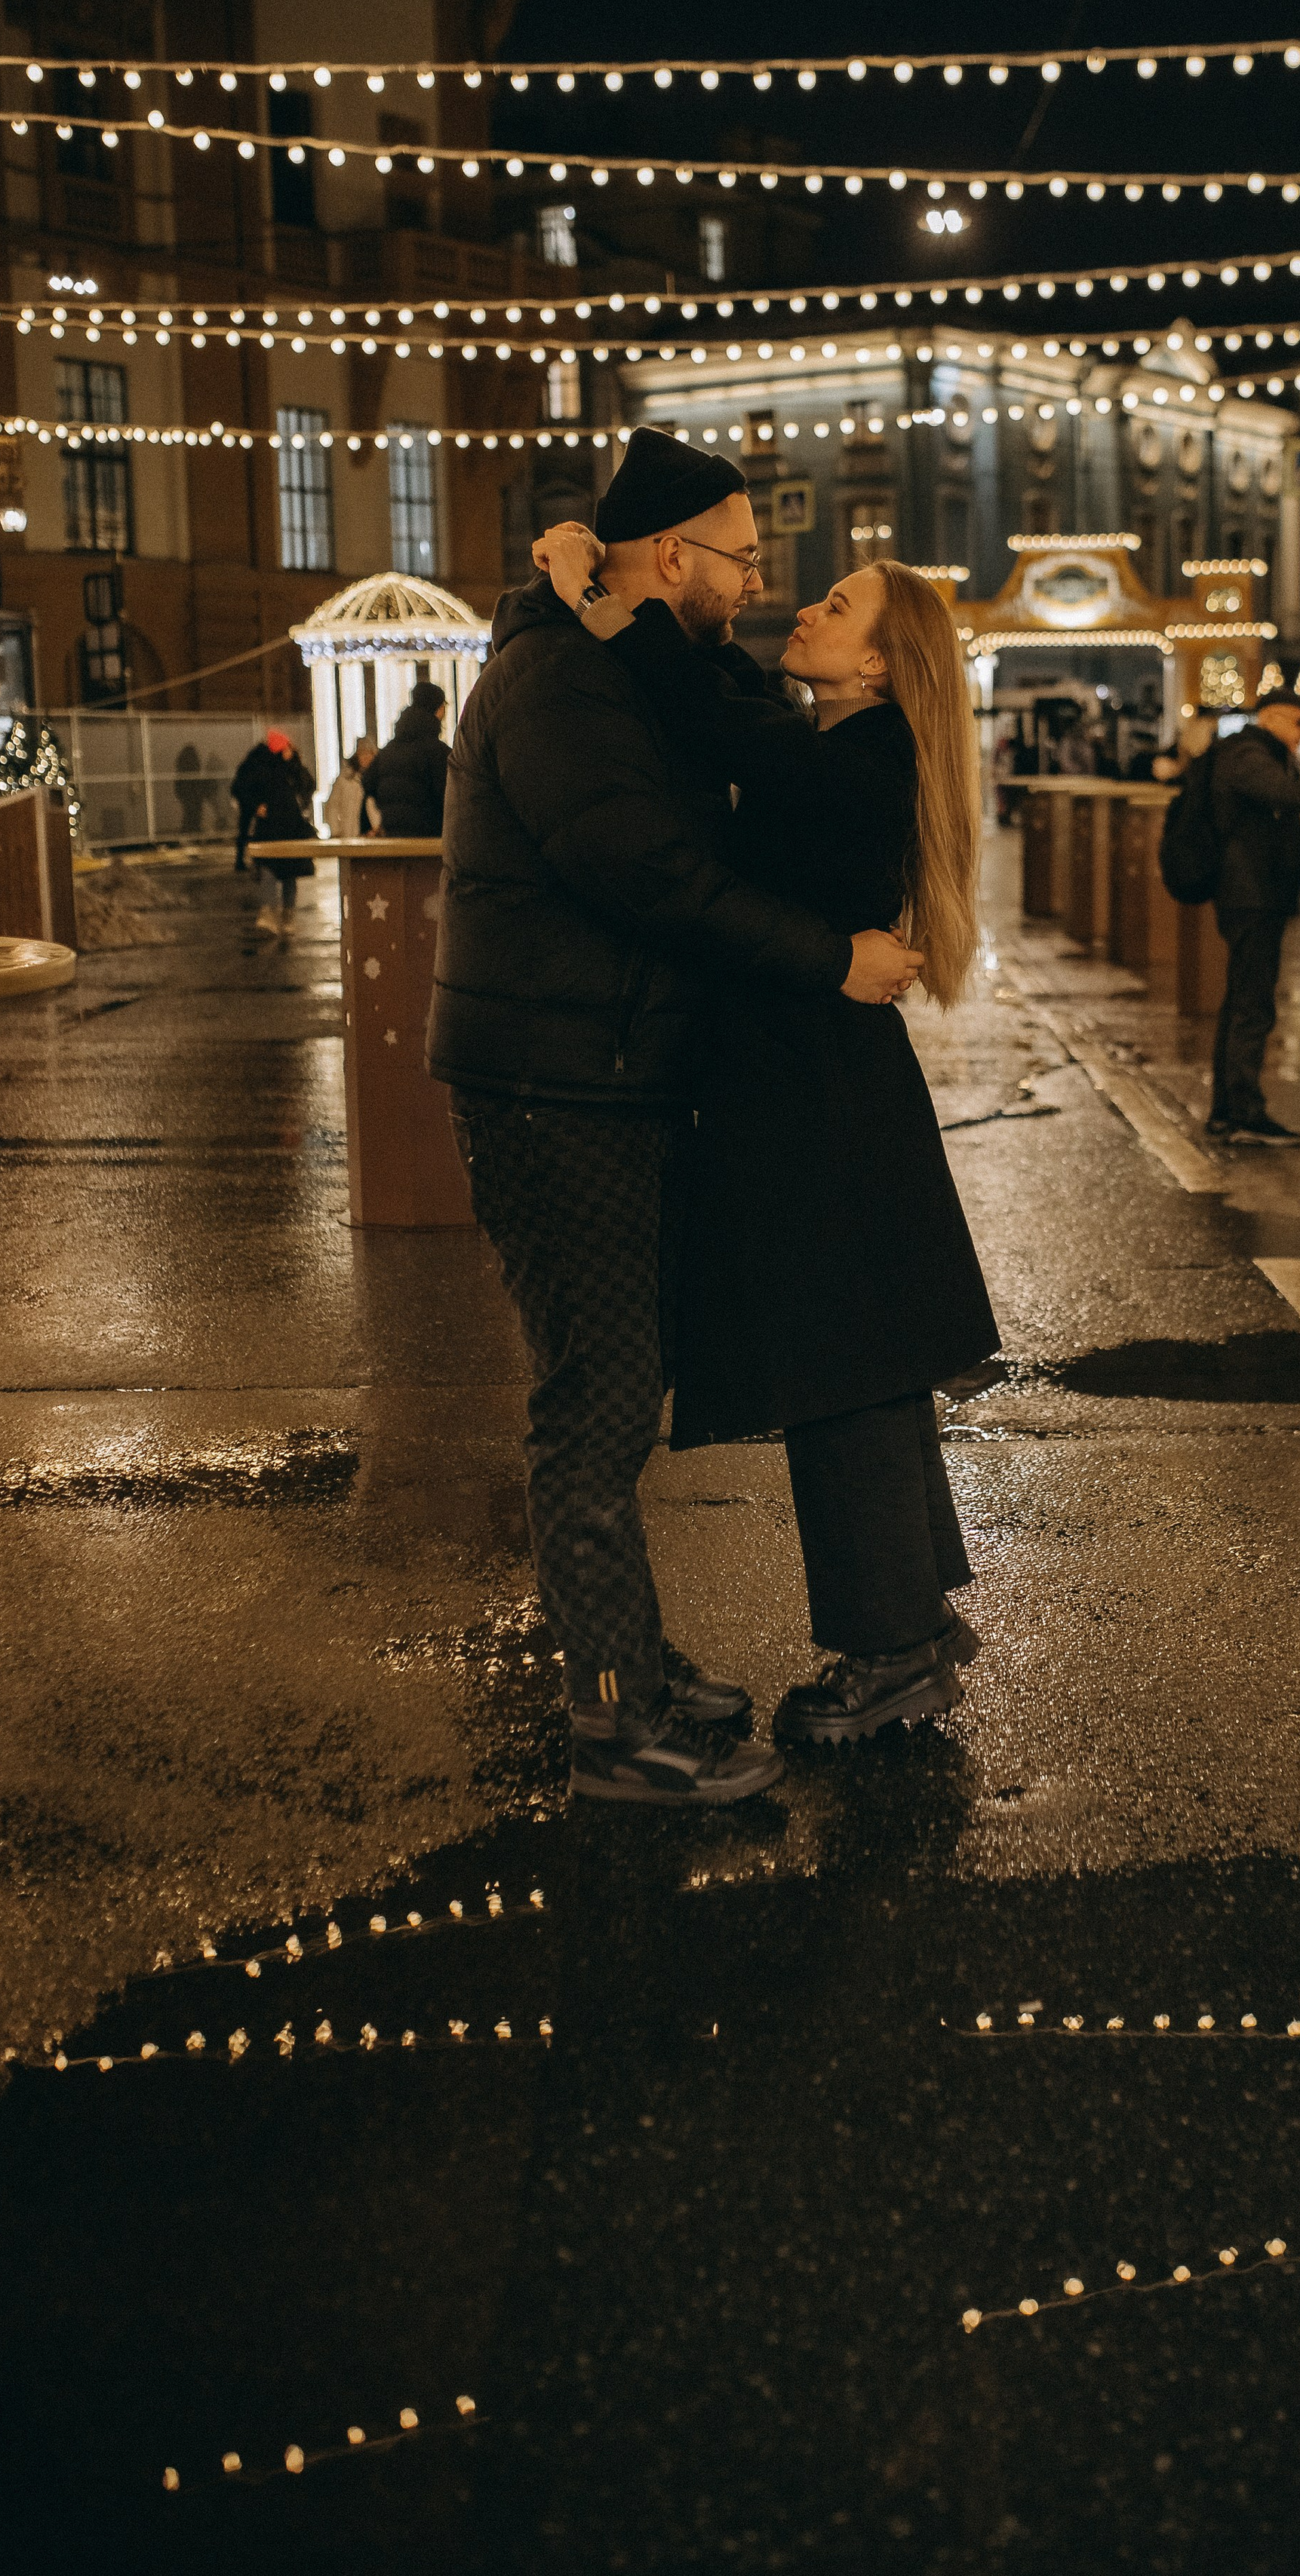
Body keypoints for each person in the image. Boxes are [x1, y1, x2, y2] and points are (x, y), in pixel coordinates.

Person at [426, 428, 923, 1807]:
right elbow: (647, 871)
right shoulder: (556, 684)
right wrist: (826, 958)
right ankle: (613, 1721)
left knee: (612, 1388)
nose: (760, 586)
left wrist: (605, 591)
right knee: (590, 1403)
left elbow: (724, 719)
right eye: (742, 560)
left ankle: (628, 1667)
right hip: (552, 1079)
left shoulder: (618, 657)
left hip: (608, 1066)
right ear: (669, 557)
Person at [539, 528, 999, 1747]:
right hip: (834, 1091)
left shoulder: (852, 761)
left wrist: (614, 607)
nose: (802, 610)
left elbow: (717, 724)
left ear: (883, 664)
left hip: (818, 1101)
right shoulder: (853, 744)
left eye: (835, 608)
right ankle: (917, 1621)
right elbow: (742, 709)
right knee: (871, 1366)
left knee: (841, 1375)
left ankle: (892, 1652)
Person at [1207, 691, 1300, 1146]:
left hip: (1257, 892)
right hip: (1251, 898)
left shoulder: (1259, 755)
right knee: (1252, 1005)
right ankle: (1244, 1113)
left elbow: (1264, 829)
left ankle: (1228, 1110)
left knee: (1243, 1000)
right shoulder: (1248, 753)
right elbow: (1283, 797)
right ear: (1272, 718)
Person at [229, 729, 316, 931]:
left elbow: (308, 785)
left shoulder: (292, 768)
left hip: (291, 826)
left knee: (289, 872)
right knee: (270, 869)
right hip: (271, 827)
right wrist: (255, 806)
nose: (289, 750)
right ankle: (269, 913)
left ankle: (287, 915)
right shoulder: (261, 767)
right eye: (286, 746)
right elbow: (242, 788)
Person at [361, 682, 450, 837]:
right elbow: (449, 797)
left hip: (393, 836)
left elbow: (368, 782)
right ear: (439, 709)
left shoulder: (388, 752)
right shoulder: (439, 753)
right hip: (430, 840)